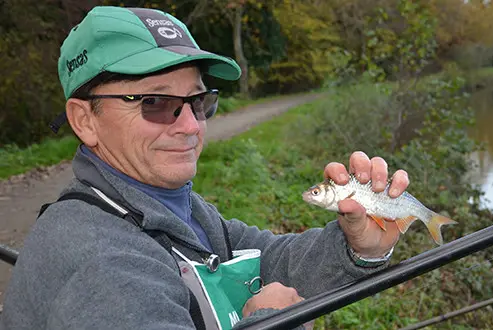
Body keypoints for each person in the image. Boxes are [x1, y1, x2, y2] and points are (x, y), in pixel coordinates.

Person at [0, 5, 410, 330]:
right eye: (155, 103)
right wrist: (274, 323)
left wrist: (357, 247)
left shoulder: (171, 208)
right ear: (85, 120)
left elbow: (265, 261)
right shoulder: (103, 269)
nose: (192, 125)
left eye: (199, 101)